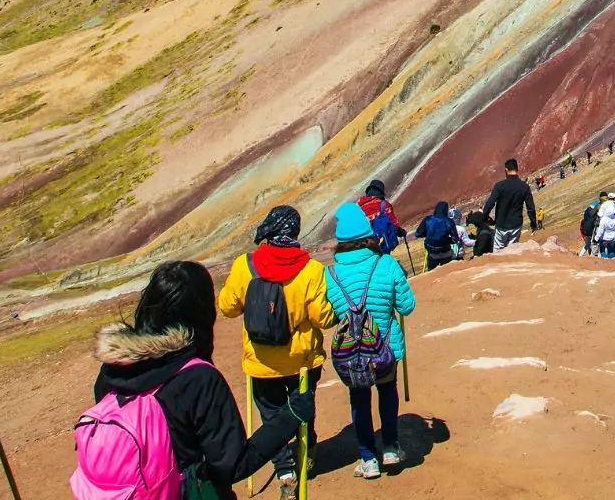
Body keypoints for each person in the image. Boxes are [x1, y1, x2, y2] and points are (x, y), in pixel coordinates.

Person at [87, 261, 309, 500]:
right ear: (202, 313)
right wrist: (291, 416)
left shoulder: (111, 370)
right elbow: (232, 465)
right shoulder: (198, 379)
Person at [217, 206, 335, 499]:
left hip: (261, 360)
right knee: (301, 407)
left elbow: (227, 307)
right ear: (294, 232)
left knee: (271, 415)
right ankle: (308, 450)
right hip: (303, 360)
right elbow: (323, 318)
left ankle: (284, 470)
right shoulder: (312, 270)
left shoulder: (244, 266)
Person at [321, 203, 416, 479]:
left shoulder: (331, 275)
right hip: (385, 349)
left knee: (358, 399)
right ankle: (390, 447)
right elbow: (407, 306)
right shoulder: (387, 265)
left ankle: (367, 459)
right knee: (387, 392)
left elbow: (328, 319)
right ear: (368, 234)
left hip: (351, 355)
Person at [483, 158, 539, 251]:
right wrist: (533, 224)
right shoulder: (524, 187)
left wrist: (485, 219)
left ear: (506, 170)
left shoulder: (499, 186)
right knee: (512, 250)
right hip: (516, 225)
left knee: (498, 251)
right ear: (517, 169)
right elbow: (530, 208)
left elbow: (489, 204)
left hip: (501, 225)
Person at [414, 201, 463, 270]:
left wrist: (427, 235)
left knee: (432, 274)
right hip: (445, 252)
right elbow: (455, 239)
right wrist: (446, 240)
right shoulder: (449, 221)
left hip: (432, 253)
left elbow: (417, 234)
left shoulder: (427, 219)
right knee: (447, 272)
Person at [357, 181, 402, 254]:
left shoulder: (358, 207)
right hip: (380, 245)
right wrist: (400, 232)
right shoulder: (384, 205)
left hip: (361, 246)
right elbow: (394, 225)